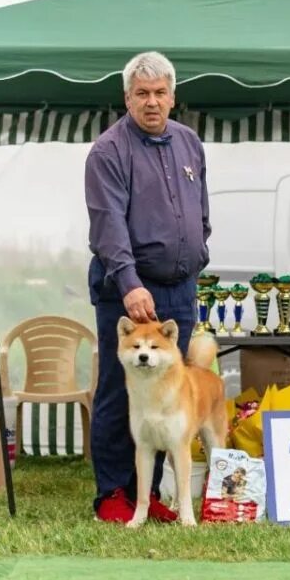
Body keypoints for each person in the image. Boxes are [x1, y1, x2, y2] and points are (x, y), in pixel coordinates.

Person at [85, 51, 210, 523]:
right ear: (127, 98)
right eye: (142, 94)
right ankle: (113, 494)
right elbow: (108, 225)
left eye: (160, 93)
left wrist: (197, 255)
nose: (152, 102)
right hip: (128, 288)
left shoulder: (189, 143)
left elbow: (200, 212)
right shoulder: (108, 152)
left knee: (169, 393)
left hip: (180, 288)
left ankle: (150, 492)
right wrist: (131, 283)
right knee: (123, 389)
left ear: (173, 97)